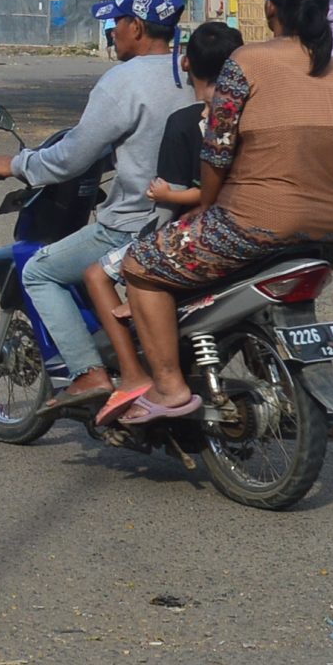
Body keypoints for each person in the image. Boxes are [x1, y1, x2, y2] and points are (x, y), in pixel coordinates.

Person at [108, 0, 333, 424]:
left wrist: (206, 206)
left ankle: (167, 388)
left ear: (270, 8)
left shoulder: (246, 63)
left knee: (139, 264)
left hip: (257, 223)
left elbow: (217, 150)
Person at [0, 0, 196, 420]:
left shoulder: (123, 81)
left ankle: (88, 372)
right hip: (190, 217)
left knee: (39, 270)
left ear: (136, 26)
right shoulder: (192, 72)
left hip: (135, 222)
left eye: (116, 23)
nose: (111, 32)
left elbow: (74, 154)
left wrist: (18, 164)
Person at [80, 20, 242, 400]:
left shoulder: (193, 121)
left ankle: (139, 375)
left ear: (186, 63)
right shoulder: (255, 112)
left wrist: (165, 193)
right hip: (250, 225)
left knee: (102, 273)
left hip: (201, 230)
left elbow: (200, 197)